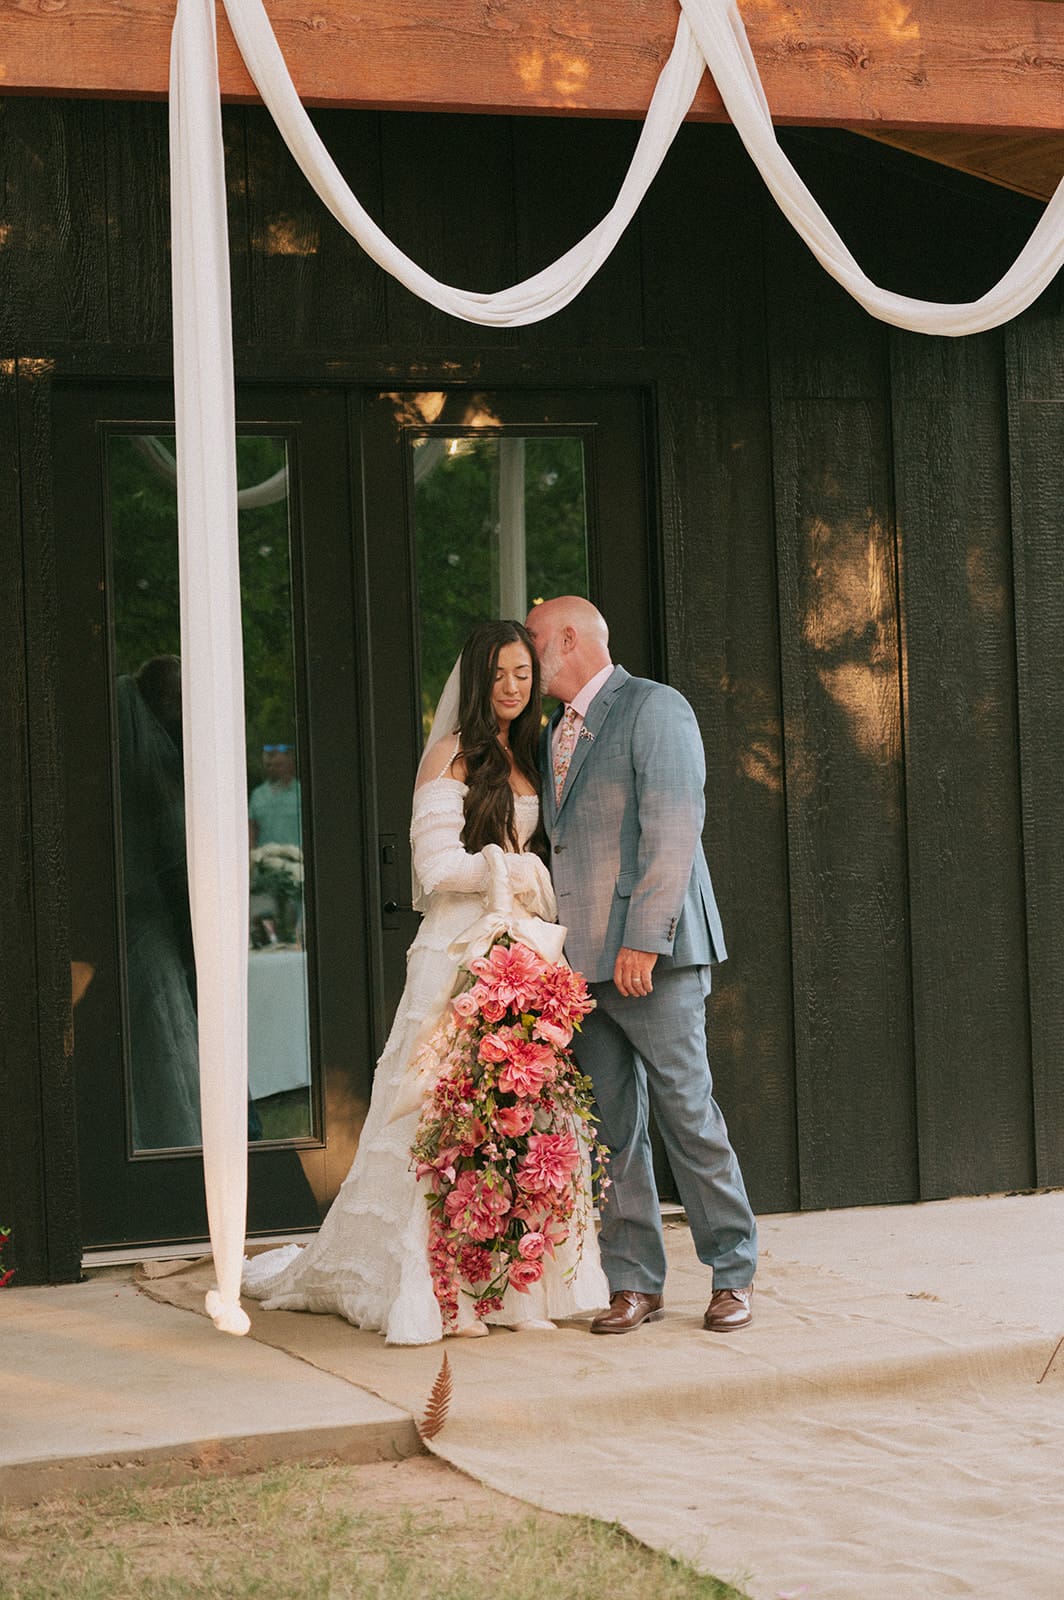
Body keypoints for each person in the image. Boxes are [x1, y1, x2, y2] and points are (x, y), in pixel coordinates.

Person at [243, 620, 608, 1343]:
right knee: (440, 1115)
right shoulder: (450, 755)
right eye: (500, 674)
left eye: (523, 675)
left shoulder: (535, 754)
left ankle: (510, 1286)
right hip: (456, 955)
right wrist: (521, 870)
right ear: (477, 679)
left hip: (524, 955)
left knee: (519, 1123)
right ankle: (438, 1286)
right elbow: (438, 868)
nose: (513, 687)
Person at [524, 596, 758, 1334]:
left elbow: (673, 826)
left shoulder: (655, 708)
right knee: (611, 1134)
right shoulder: (550, 733)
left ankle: (732, 1272)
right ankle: (635, 1283)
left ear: (566, 639)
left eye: (533, 642)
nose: (526, 659)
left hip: (651, 959)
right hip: (580, 966)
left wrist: (645, 940)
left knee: (689, 1114)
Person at [248, 743, 302, 849]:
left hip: (296, 860)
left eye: (279, 765)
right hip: (265, 859)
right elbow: (251, 829)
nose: (273, 769)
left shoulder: (300, 793)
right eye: (269, 765)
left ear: (290, 765)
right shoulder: (258, 795)